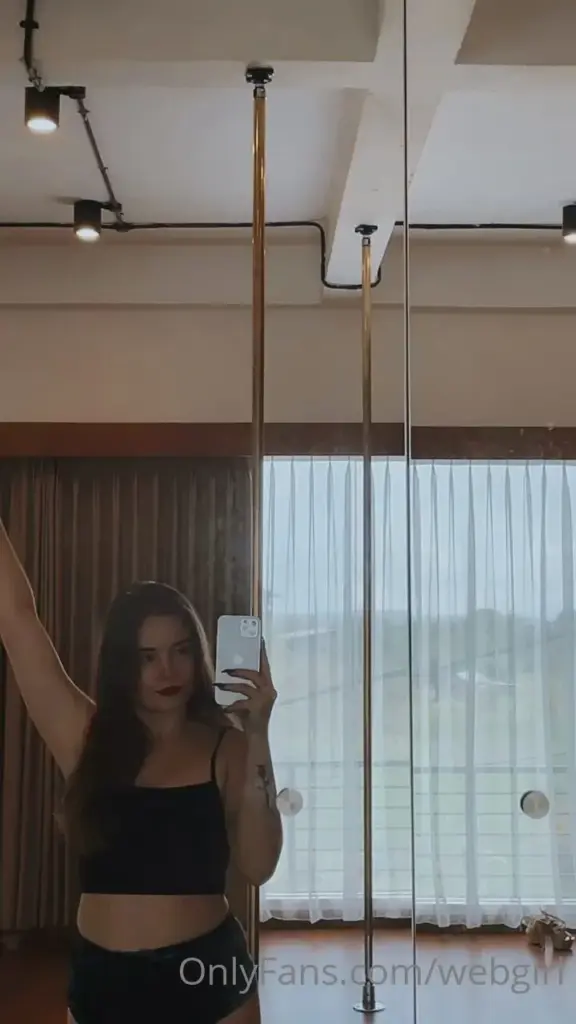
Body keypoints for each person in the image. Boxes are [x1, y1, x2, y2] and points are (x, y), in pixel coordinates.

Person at [0, 515, 283, 1023]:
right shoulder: (85, 737)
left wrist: (258, 732)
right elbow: (18, 621)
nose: (167, 671)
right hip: (102, 981)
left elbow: (259, 866)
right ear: (121, 664)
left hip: (207, 975)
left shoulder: (230, 747)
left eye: (180, 651)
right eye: (147, 657)